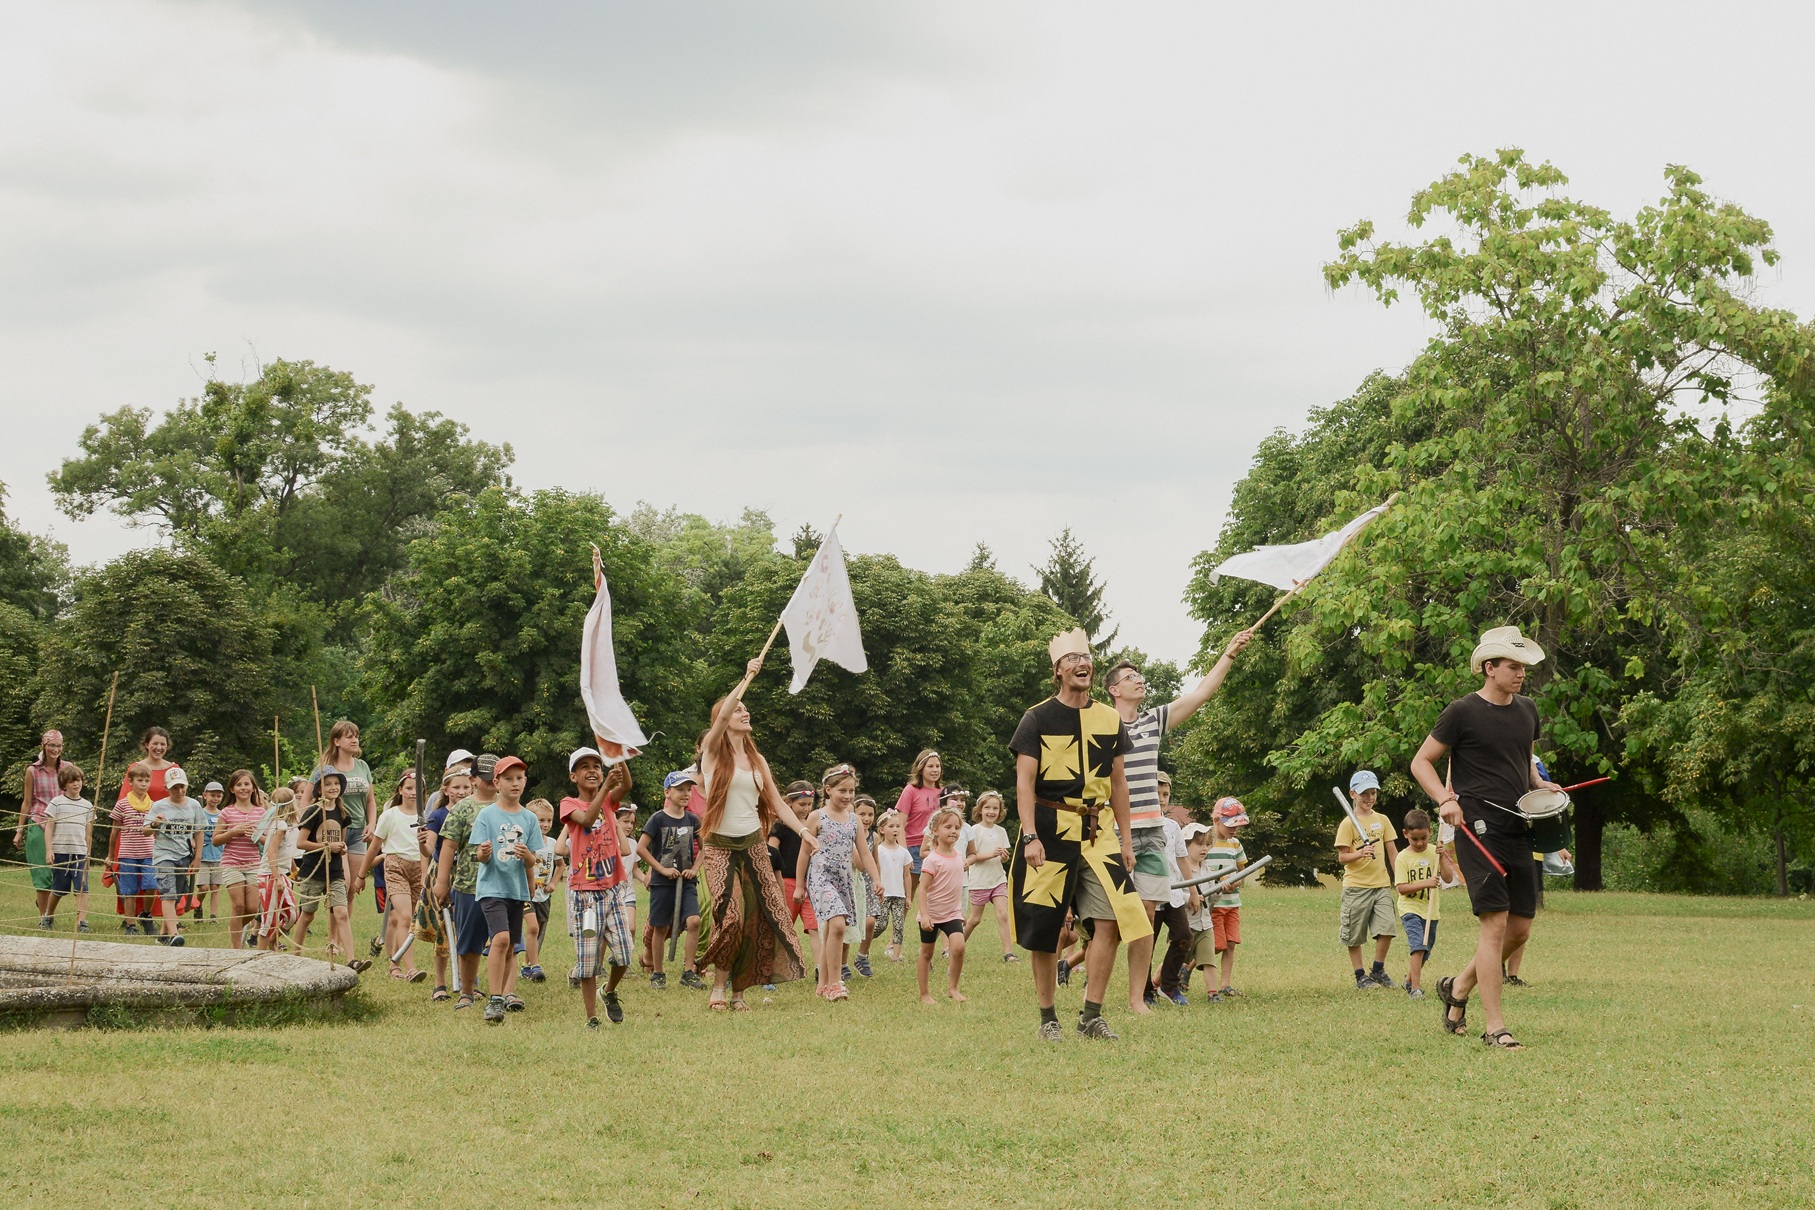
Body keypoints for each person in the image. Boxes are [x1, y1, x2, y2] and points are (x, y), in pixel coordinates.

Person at [1410, 625, 1560, 1049]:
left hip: (1519, 825)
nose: (1521, 674)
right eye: (1513, 666)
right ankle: (1495, 1027)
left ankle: (1457, 987)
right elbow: (1421, 762)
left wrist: (1540, 784)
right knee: (1494, 925)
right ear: (1488, 668)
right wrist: (1444, 798)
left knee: (1520, 929)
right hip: (1477, 827)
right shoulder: (1461, 712)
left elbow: (1523, 761)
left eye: (1523, 667)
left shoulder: (1528, 709)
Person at [1102, 629, 1253, 1014]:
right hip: (1112, 831)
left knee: (1149, 916)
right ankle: (1088, 980)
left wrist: (1229, 654)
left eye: (1139, 674)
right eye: (1130, 677)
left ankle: (1139, 997)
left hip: (1150, 831)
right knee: (1109, 921)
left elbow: (1201, 694)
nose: (1139, 679)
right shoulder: (1100, 725)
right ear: (1114, 691)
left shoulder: (1153, 721)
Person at [1008, 628, 1149, 1041]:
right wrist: (1030, 834)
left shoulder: (1108, 717)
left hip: (1097, 830)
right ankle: (1048, 1018)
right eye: (1072, 659)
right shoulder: (1036, 717)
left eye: (1086, 658)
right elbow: (1024, 783)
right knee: (1045, 926)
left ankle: (1091, 1015)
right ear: (1057, 671)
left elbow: (1118, 783)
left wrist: (1125, 840)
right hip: (1049, 830)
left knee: (1113, 919)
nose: (1082, 664)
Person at [697, 656, 819, 1011]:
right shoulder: (712, 756)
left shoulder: (757, 761)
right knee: (730, 916)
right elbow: (720, 717)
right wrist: (747, 675)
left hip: (753, 845)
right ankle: (717, 984)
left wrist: (803, 832)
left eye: (746, 709)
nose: (744, 713)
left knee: (754, 918)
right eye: (739, 710)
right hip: (719, 846)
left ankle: (735, 991)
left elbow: (779, 805)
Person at [561, 747, 635, 1027]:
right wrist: (606, 786)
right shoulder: (569, 804)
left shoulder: (608, 802)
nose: (592, 769)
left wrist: (617, 757)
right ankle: (591, 1017)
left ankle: (610, 991)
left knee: (625, 953)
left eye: (596, 764)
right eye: (584, 766)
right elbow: (588, 819)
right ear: (573, 776)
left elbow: (626, 785)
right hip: (586, 896)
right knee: (589, 961)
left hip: (613, 890)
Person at [471, 755, 544, 1025]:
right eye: (509, 779)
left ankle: (505, 993)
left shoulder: (529, 818)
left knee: (512, 945)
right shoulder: (487, 815)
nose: (515, 784)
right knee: (500, 939)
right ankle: (494, 998)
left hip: (517, 890)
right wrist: (484, 852)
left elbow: (533, 859)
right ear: (497, 782)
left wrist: (527, 856)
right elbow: (479, 855)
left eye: (519, 778)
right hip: (492, 888)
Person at [798, 763, 881, 1001]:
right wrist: (801, 886)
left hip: (843, 881)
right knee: (837, 925)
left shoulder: (854, 819)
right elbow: (804, 854)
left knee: (831, 931)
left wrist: (876, 879)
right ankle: (835, 983)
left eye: (851, 791)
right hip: (820, 878)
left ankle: (823, 984)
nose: (847, 796)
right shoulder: (817, 816)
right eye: (842, 791)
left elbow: (865, 853)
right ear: (827, 790)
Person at [434, 754, 499, 1011]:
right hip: (468, 885)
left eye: (496, 777)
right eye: (486, 779)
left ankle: (503, 992)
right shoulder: (463, 808)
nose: (492, 783)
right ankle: (467, 992)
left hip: (503, 885)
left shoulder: (509, 806)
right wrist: (441, 882)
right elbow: (448, 845)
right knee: (469, 943)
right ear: (473, 780)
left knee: (504, 941)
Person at [355, 770, 430, 983]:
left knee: (409, 920)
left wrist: (425, 873)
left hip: (418, 868)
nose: (412, 793)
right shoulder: (390, 815)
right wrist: (361, 875)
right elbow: (374, 847)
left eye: (417, 789)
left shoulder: (424, 817)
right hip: (395, 866)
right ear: (400, 790)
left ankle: (394, 965)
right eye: (408, 789)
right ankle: (411, 969)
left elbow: (425, 850)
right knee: (404, 916)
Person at [639, 770, 704, 990]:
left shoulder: (692, 819)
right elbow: (641, 848)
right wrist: (661, 869)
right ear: (667, 792)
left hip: (686, 881)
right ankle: (658, 973)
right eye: (680, 789)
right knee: (661, 927)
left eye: (688, 790)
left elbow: (705, 848)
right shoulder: (658, 818)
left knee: (694, 921)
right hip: (662, 881)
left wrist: (694, 869)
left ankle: (688, 971)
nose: (685, 793)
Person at [294, 769, 364, 970]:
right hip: (313, 871)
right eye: (328, 784)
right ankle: (295, 955)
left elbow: (341, 842)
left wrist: (342, 848)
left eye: (336, 783)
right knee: (307, 914)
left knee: (341, 912)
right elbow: (301, 843)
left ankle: (352, 960)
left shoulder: (343, 813)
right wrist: (326, 847)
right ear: (318, 789)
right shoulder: (313, 811)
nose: (333, 787)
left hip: (334, 872)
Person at [1337, 770, 1399, 989]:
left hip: (1381, 885)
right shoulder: (1348, 824)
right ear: (1352, 794)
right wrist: (1360, 853)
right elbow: (1342, 857)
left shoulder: (1382, 820)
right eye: (1364, 793)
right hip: (1356, 887)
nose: (1369, 798)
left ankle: (1378, 970)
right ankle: (1360, 975)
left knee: (1387, 928)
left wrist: (1399, 878)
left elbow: (1392, 852)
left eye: (1373, 793)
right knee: (1354, 934)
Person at [422, 760, 472, 1000]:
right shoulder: (438, 815)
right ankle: (440, 983)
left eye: (466, 787)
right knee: (444, 931)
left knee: (466, 930)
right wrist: (422, 843)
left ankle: (467, 983)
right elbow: (430, 848)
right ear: (445, 789)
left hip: (468, 875)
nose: (461, 792)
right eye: (456, 787)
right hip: (443, 874)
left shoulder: (476, 812)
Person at [314, 720, 376, 909]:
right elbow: (308, 799)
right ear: (336, 741)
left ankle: (342, 936)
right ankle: (334, 936)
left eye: (356, 736)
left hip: (358, 832)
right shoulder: (326, 768)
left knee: (351, 890)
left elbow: (370, 800)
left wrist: (372, 824)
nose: (354, 740)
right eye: (349, 737)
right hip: (334, 830)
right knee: (341, 884)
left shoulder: (363, 766)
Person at [17, 730, 76, 924]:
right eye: (52, 745)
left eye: (59, 746)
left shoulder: (68, 768)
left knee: (61, 876)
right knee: (42, 874)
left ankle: (46, 908)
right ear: (44, 746)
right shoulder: (32, 770)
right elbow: (27, 802)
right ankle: (45, 919)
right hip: (39, 823)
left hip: (63, 825)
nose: (55, 749)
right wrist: (19, 831)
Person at [142, 768, 205, 946]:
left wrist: (198, 857)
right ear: (167, 788)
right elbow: (145, 831)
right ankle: (174, 934)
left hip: (184, 854)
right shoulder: (159, 806)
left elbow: (199, 831)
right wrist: (155, 823)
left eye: (182, 787)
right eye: (174, 787)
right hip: (164, 855)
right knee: (167, 894)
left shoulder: (194, 805)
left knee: (176, 895)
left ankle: (162, 935)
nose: (179, 791)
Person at [1394, 807, 1452, 999]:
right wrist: (1425, 883)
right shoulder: (1402, 858)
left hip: (1431, 911)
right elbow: (1401, 888)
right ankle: (1415, 989)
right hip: (1410, 909)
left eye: (1423, 838)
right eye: (1414, 839)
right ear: (1405, 834)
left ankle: (1409, 979)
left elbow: (1448, 878)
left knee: (1424, 952)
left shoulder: (1435, 852)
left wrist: (1442, 857)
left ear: (1430, 833)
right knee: (1418, 946)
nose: (1419, 843)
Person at [1198, 797, 1250, 1001]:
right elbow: (1199, 869)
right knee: (1216, 944)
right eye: (1230, 825)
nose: (1234, 830)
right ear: (1216, 819)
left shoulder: (1235, 844)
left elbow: (1242, 872)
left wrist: (1234, 882)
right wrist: (1217, 882)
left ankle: (1225, 984)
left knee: (1230, 943)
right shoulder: (1205, 842)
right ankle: (1187, 965)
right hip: (1214, 904)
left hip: (1232, 903)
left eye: (1238, 825)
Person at [770, 780, 820, 983]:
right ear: (789, 803)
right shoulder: (780, 826)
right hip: (787, 883)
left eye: (810, 804)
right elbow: (770, 852)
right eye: (802, 804)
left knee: (815, 926)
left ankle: (820, 968)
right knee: (782, 927)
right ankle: (772, 967)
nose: (806, 808)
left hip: (811, 884)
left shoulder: (814, 824)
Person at [212, 771, 268, 950]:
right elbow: (215, 839)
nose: (243, 788)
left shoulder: (261, 812)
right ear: (232, 789)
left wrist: (257, 836)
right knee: (238, 905)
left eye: (246, 784)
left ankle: (234, 927)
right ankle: (236, 948)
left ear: (253, 788)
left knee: (252, 908)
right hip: (231, 863)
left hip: (253, 863)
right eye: (239, 785)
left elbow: (270, 841)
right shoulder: (227, 812)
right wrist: (233, 832)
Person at [1147, 794, 1194, 1006]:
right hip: (1148, 893)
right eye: (1156, 793)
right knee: (1146, 944)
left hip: (1173, 893)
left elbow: (1182, 859)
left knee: (1184, 936)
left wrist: (1193, 890)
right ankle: (1145, 992)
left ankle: (1169, 986)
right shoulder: (1139, 825)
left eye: (1165, 794)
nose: (1161, 798)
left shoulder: (1173, 826)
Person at [961, 790, 1015, 963]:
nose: (991, 812)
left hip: (998, 879)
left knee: (1003, 914)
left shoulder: (1001, 831)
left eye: (995, 808)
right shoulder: (974, 831)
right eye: (987, 808)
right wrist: (992, 854)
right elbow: (973, 857)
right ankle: (957, 946)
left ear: (1000, 811)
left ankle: (1008, 953)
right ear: (980, 810)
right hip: (979, 881)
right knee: (975, 919)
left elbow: (1002, 856)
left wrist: (1003, 856)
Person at [109, 762, 161, 935]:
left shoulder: (154, 806)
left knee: (151, 884)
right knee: (129, 890)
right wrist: (110, 855)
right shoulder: (122, 805)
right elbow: (115, 831)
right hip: (128, 853)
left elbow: (158, 832)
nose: (143, 784)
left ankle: (146, 915)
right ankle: (130, 925)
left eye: (147, 780)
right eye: (140, 780)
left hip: (149, 853)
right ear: (130, 782)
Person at [42, 763, 95, 931]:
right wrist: (49, 850)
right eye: (72, 781)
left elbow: (89, 832)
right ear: (64, 784)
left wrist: (88, 853)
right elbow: (49, 827)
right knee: (58, 888)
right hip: (61, 852)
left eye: (78, 780)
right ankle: (48, 916)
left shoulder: (87, 805)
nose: (76, 784)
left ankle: (82, 922)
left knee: (82, 887)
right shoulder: (56, 803)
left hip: (79, 852)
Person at [892, 750, 944, 898]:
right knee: (908, 894)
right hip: (913, 848)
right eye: (930, 766)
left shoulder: (944, 792)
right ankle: (899, 922)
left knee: (935, 894)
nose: (935, 770)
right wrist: (904, 853)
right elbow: (899, 824)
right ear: (921, 768)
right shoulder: (911, 790)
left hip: (935, 847)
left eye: (937, 766)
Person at [519, 798, 558, 984]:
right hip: (526, 892)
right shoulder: (525, 841)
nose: (545, 824)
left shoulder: (552, 843)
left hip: (544, 893)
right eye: (541, 820)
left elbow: (560, 864)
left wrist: (554, 883)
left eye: (549, 820)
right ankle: (535, 966)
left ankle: (527, 965)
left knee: (539, 928)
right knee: (532, 927)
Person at [258, 788, 301, 951]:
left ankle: (273, 940)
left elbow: (286, 852)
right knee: (269, 920)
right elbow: (271, 851)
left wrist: (294, 871)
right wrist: (276, 879)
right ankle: (260, 956)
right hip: (269, 876)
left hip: (282, 874)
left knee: (292, 915)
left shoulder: (287, 826)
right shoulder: (280, 826)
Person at [850, 795, 882, 976]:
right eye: (862, 813)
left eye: (870, 814)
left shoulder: (875, 837)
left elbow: (876, 862)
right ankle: (840, 964)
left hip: (869, 883)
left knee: (870, 921)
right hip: (852, 881)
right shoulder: (849, 832)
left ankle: (862, 956)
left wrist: (879, 881)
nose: (867, 818)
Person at [874, 810, 912, 961]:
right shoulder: (878, 850)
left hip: (899, 895)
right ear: (882, 829)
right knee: (881, 924)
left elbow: (907, 875)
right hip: (883, 894)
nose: (895, 829)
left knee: (899, 926)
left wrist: (908, 897)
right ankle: (865, 943)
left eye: (898, 826)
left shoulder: (903, 852)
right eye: (891, 826)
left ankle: (896, 956)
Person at [196, 781, 225, 921]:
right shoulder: (200, 813)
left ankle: (213, 916)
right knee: (204, 887)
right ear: (205, 795)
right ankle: (197, 905)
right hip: (203, 856)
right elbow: (194, 833)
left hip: (219, 855)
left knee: (215, 887)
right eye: (212, 795)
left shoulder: (223, 815)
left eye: (219, 796)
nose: (215, 798)